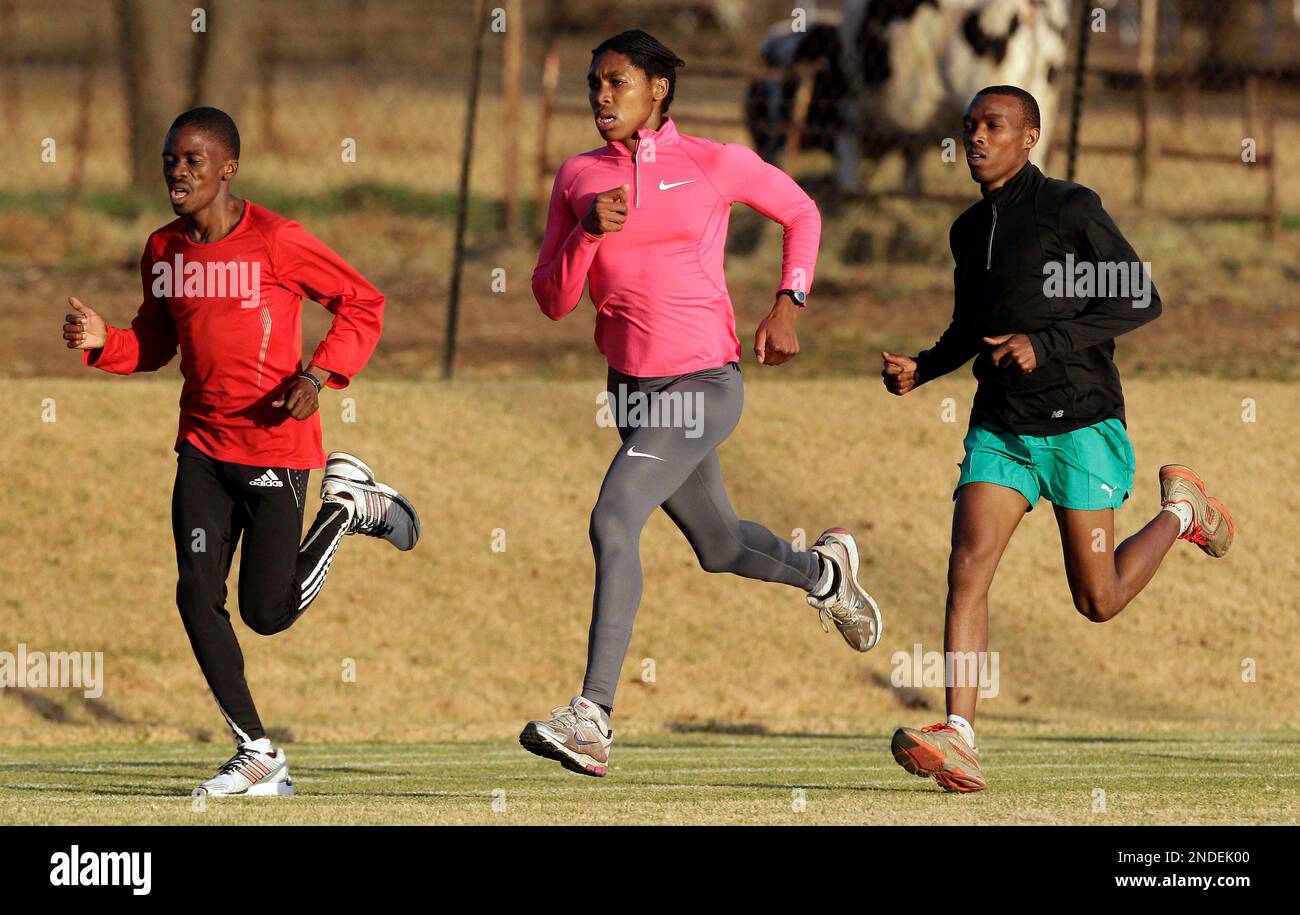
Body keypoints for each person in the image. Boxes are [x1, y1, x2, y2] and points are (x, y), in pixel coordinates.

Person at [521, 30, 883, 778]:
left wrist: (789, 302)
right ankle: (826, 574)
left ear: (657, 89)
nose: (600, 95)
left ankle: (592, 715)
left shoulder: (712, 162)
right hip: (631, 392)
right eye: (594, 83)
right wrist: (586, 234)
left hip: (703, 388)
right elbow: (552, 300)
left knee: (614, 516)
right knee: (719, 549)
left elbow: (802, 212)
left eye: (616, 81)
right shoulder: (578, 177)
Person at [882, 86, 1235, 793]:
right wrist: (924, 366)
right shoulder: (966, 229)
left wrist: (1047, 343)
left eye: (994, 125)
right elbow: (969, 327)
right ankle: (960, 734)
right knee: (967, 569)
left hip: (1080, 422)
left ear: (1030, 137)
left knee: (1097, 599)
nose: (976, 138)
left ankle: (1182, 512)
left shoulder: (1070, 209)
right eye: (970, 127)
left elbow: (1140, 296)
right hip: (1002, 429)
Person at [61, 107, 419, 797]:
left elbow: (362, 301)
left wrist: (317, 375)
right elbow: (156, 343)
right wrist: (104, 339)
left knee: (267, 612)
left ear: (227, 169)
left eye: (194, 160)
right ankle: (256, 750)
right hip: (200, 447)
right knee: (196, 592)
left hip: (276, 449)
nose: (178, 172)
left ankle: (346, 506)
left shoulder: (277, 240)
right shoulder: (162, 250)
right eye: (170, 159)